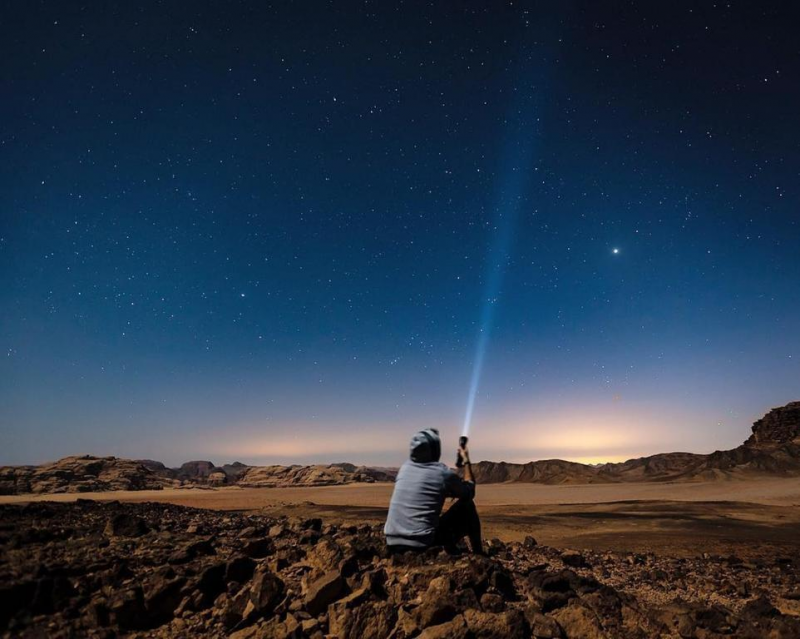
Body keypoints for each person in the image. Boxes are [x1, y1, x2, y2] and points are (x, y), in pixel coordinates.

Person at [384, 428, 483, 554]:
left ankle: (453, 550)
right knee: (468, 506)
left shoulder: (404, 469)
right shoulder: (441, 473)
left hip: (392, 544)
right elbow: (469, 491)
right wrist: (466, 461)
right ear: (435, 450)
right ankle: (479, 555)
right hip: (421, 544)